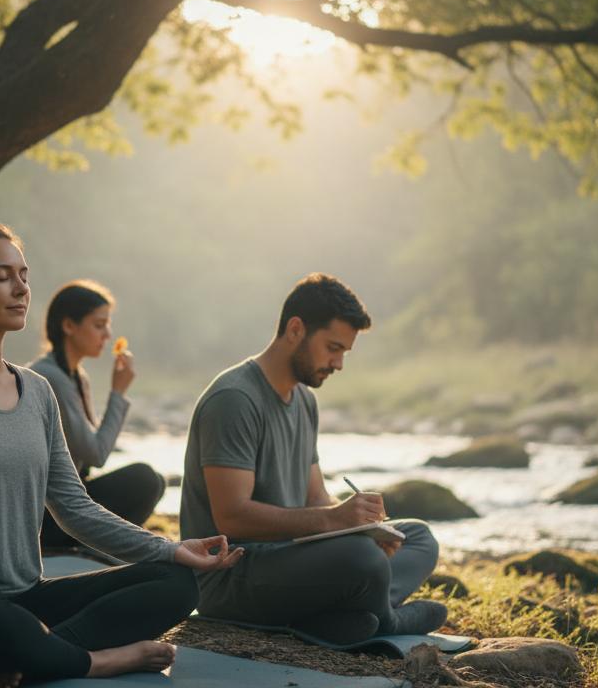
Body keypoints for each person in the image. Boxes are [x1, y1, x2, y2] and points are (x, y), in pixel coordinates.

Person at [0, 224, 242, 686]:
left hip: (24, 597)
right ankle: (97, 661)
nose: (21, 289)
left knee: (174, 583)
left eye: (24, 275)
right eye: (1, 276)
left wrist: (170, 550)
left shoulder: (37, 391)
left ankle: (28, 656)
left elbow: (74, 507)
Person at [179, 273, 446, 645]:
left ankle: (337, 618)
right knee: (361, 559)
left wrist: (364, 529)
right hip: (229, 577)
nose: (338, 363)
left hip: (288, 562)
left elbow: (316, 498)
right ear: (295, 329)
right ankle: (388, 621)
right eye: (332, 348)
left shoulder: (304, 401)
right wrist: (338, 526)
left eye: (344, 353)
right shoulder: (234, 399)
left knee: (417, 537)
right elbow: (231, 516)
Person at [29, 281, 164, 550]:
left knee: (155, 481)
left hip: (70, 499)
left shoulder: (77, 376)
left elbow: (89, 454)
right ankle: (88, 550)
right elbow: (96, 454)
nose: (108, 334)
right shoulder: (50, 377)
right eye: (99, 325)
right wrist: (118, 393)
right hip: (47, 512)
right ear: (69, 326)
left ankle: (96, 549)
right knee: (145, 479)